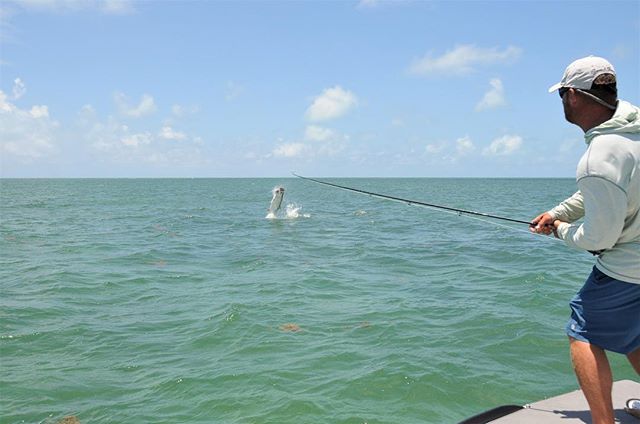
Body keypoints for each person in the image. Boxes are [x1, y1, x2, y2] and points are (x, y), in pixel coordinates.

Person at [530, 56, 640, 424]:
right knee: (634, 334)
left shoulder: (599, 157)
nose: (561, 101)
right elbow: (603, 192)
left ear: (574, 95)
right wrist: (558, 212)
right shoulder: (633, 131)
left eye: (561, 93)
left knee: (582, 330)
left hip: (628, 268)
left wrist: (558, 231)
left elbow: (600, 237)